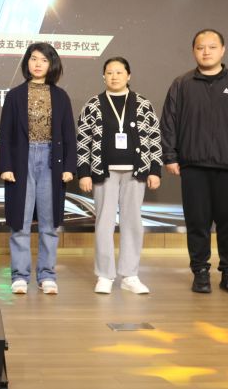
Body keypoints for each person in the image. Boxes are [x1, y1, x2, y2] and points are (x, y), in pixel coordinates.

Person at [161, 29, 228, 296]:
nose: (206, 52)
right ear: (193, 51)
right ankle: (200, 273)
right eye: (200, 47)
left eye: (212, 46)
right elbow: (169, 123)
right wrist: (170, 156)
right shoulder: (181, 84)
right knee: (197, 224)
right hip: (193, 166)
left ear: (223, 50)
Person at [76, 57, 162, 295]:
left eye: (119, 72)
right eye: (110, 72)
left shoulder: (143, 104)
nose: (114, 76)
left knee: (132, 222)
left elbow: (154, 138)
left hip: (136, 171)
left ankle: (130, 275)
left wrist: (155, 170)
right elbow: (82, 141)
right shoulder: (93, 105)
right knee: (104, 222)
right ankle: (104, 275)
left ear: (128, 75)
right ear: (103, 76)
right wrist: (83, 173)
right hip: (103, 172)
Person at [0, 42, 76, 295]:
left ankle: (47, 275)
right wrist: (6, 166)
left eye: (44, 60)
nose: (38, 64)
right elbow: (6, 135)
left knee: (49, 223)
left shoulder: (61, 96)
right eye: (33, 59)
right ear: (27, 62)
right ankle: (20, 276)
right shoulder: (14, 95)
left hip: (52, 161)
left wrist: (69, 167)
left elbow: (69, 135)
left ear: (51, 64)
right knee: (20, 223)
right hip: (22, 160)